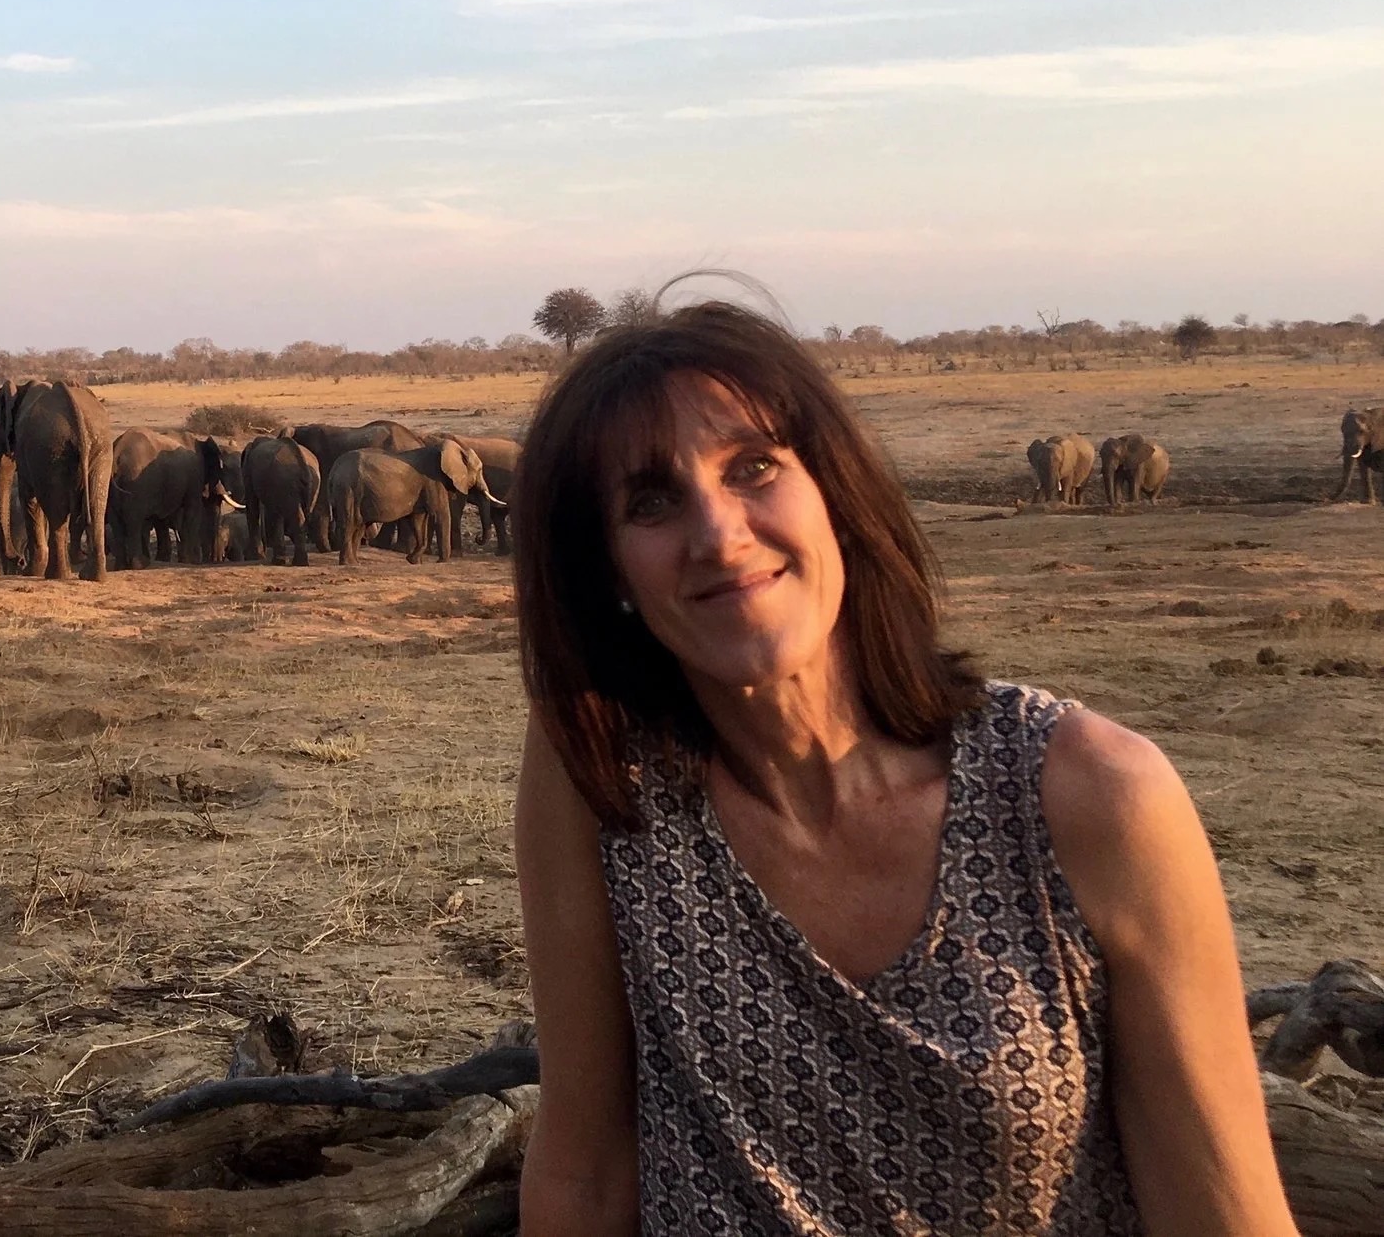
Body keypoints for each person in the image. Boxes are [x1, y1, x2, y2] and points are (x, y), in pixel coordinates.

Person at [511, 300, 1294, 1236]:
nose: (717, 534)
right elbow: (584, 1167)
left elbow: (1221, 1211)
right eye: (648, 501)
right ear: (609, 577)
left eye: (753, 466)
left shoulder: (1088, 794)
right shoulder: (606, 787)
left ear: (836, 489)